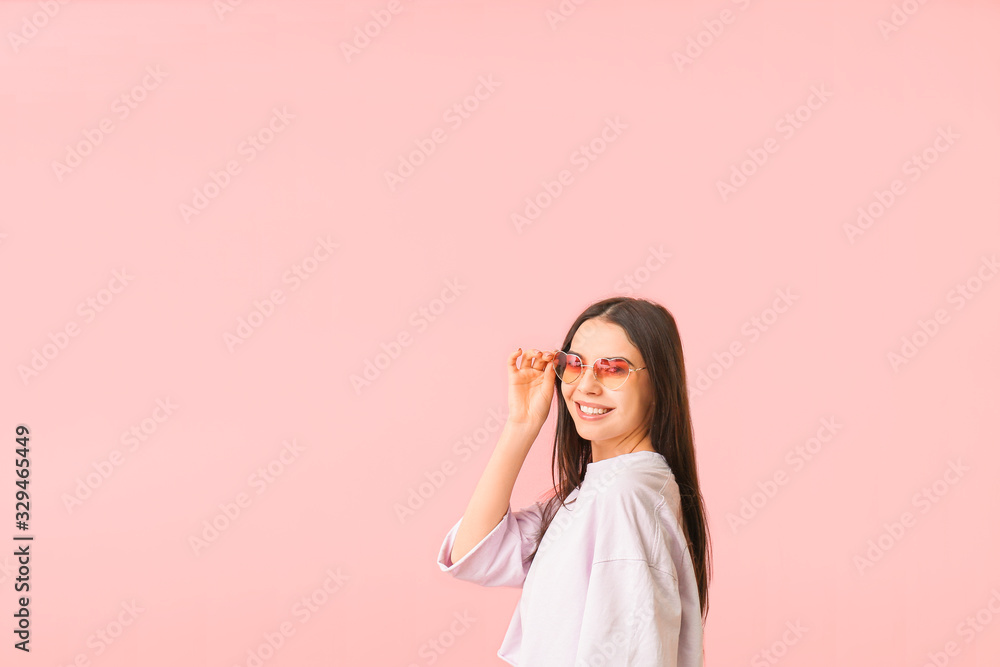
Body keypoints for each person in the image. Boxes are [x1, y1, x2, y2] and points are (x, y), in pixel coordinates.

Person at [436, 296, 712, 666]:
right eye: (574, 364)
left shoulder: (623, 495)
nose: (586, 386)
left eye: (613, 369)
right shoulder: (595, 491)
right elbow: (474, 555)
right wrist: (521, 425)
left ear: (659, 383)